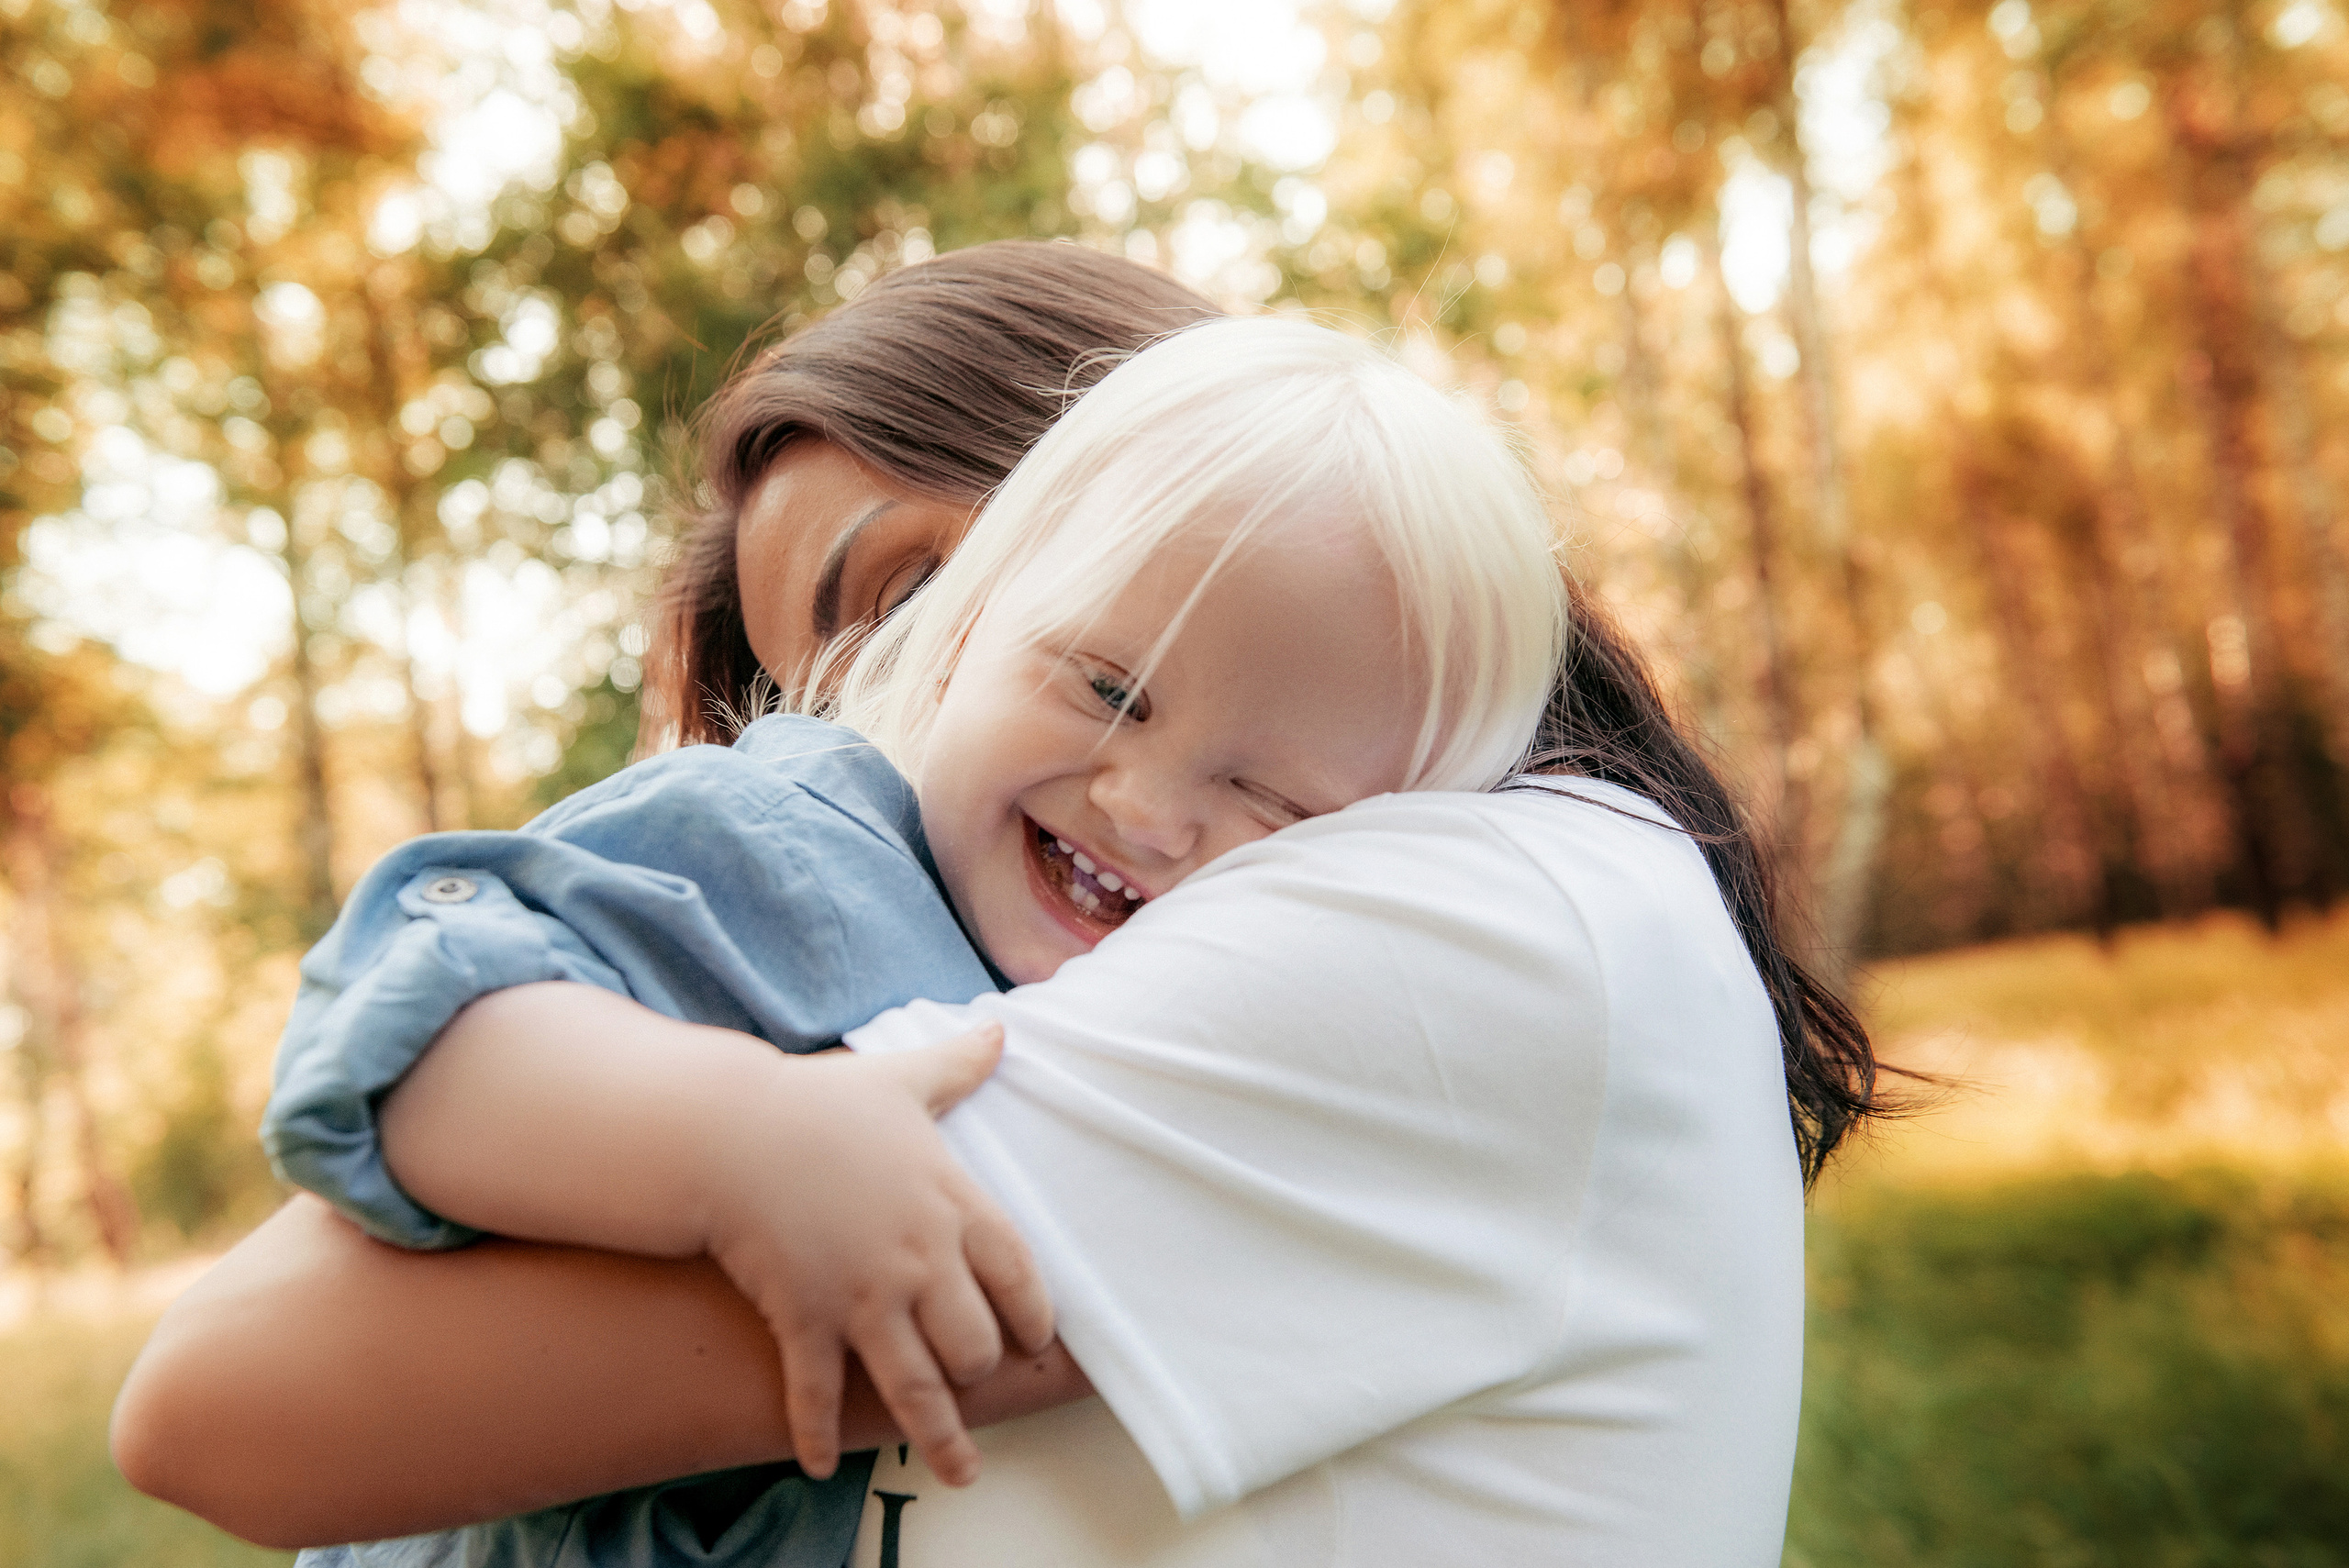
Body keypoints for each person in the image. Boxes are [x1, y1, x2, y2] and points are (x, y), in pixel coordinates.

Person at [115, 279, 1887, 1568]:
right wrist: (727, 1140)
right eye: (791, 673)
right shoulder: (804, 851)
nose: (849, 706)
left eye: (904, 589)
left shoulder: (1465, 917)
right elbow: (387, 1063)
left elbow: (246, 1394)